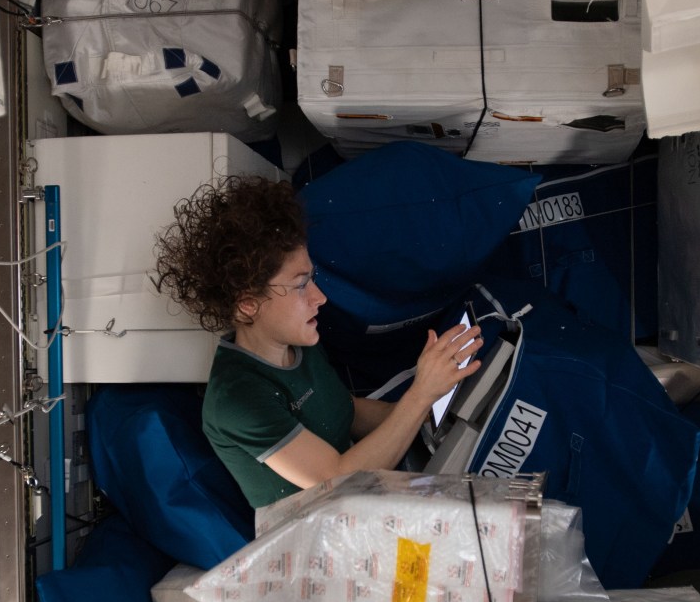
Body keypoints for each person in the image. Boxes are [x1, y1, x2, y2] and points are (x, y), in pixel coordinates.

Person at [152, 175, 482, 507]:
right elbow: (336, 481)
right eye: (300, 285)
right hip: (321, 525)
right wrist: (420, 395)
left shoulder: (298, 344)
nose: (320, 297)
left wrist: (428, 408)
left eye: (312, 279)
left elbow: (346, 412)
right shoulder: (236, 398)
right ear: (248, 304)